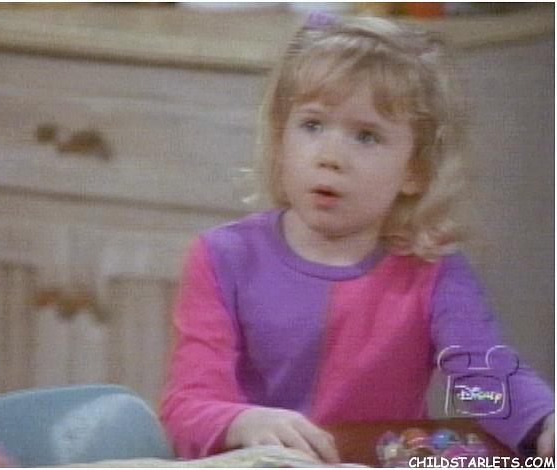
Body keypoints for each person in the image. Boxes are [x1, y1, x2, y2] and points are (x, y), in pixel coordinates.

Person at [159, 13, 554, 463]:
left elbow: (485, 381)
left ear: (416, 169)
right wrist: (242, 423)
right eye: (312, 126)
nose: (330, 157)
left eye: (366, 136)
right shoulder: (221, 258)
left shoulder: (435, 271)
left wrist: (543, 421)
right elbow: (187, 406)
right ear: (280, 139)